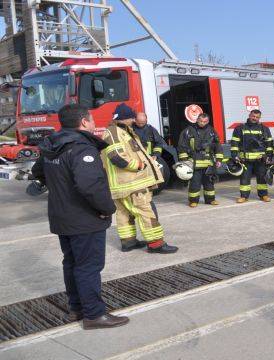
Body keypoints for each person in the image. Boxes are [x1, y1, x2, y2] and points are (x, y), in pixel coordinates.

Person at [31, 104, 129, 329]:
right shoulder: (82, 148)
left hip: (61, 217)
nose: (94, 124)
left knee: (72, 263)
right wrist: (107, 208)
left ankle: (76, 308)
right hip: (84, 219)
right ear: (84, 122)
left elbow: (38, 173)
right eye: (92, 120)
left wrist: (61, 188)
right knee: (88, 267)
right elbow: (89, 186)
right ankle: (94, 315)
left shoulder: (51, 145)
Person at [101, 103, 178, 254]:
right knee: (146, 212)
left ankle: (128, 242)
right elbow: (116, 156)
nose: (134, 120)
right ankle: (156, 244)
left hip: (123, 184)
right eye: (132, 117)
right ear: (126, 118)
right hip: (131, 183)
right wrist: (139, 165)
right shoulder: (114, 132)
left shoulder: (120, 131)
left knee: (124, 214)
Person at [177, 113, 223, 207]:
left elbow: (217, 145)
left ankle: (210, 200)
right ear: (197, 120)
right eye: (201, 121)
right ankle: (193, 201)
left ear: (208, 121)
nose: (202, 123)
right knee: (195, 183)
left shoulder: (212, 131)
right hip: (194, 162)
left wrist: (219, 159)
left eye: (205, 121)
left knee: (209, 183)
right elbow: (182, 146)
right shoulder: (188, 131)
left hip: (208, 162)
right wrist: (184, 161)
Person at [230, 109, 274, 203]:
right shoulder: (240, 128)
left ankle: (264, 195)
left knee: (262, 178)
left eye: (257, 117)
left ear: (259, 118)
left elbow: (269, 144)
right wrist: (234, 155)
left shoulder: (264, 129)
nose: (255, 118)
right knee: (244, 179)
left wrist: (269, 156)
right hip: (245, 159)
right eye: (253, 116)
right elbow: (234, 143)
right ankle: (244, 196)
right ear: (249, 115)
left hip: (260, 159)